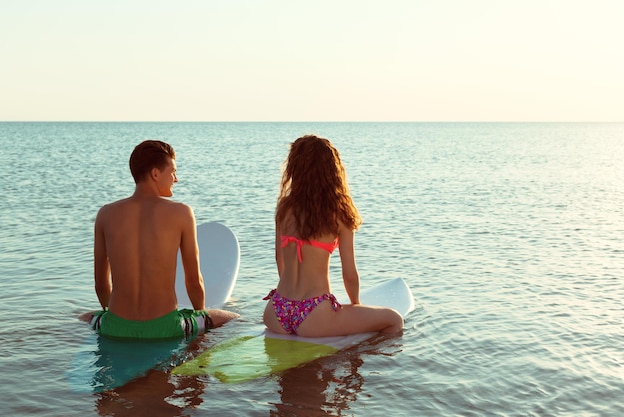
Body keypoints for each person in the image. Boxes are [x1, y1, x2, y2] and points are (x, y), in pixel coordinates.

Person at [80, 140, 238, 339]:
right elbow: (193, 281)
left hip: (115, 326)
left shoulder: (105, 214)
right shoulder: (181, 213)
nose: (176, 179)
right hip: (165, 327)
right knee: (233, 316)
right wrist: (201, 317)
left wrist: (113, 318)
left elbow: (101, 284)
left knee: (83, 316)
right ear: (155, 174)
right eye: (172, 172)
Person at [263, 135, 403, 337]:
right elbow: (349, 274)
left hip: (276, 312)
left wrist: (291, 301)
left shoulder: (284, 208)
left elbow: (279, 258)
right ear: (332, 171)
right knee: (394, 320)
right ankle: (358, 361)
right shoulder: (339, 212)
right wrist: (355, 306)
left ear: (294, 168)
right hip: (314, 315)